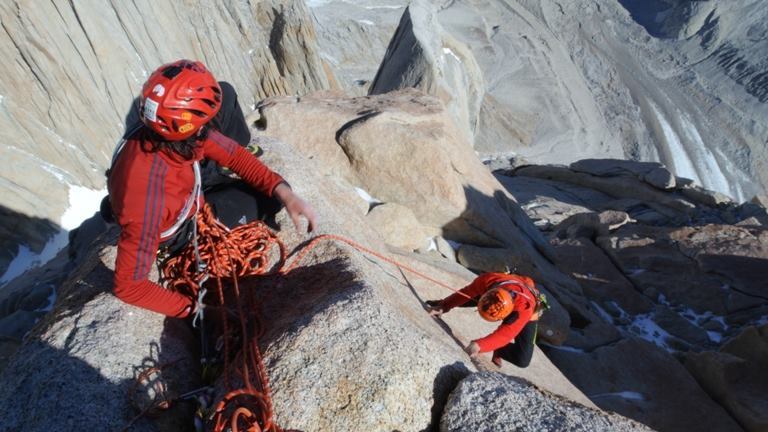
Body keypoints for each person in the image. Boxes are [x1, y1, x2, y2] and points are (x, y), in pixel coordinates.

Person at [105, 59, 317, 318]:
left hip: (181, 178)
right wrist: (197, 311)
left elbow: (234, 156)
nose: (207, 128)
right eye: (201, 125)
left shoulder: (169, 131)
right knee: (266, 202)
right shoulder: (151, 201)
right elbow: (129, 287)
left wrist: (285, 191)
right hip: (181, 223)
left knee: (225, 94)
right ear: (185, 129)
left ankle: (217, 179)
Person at [426, 272, 543, 368]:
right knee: (470, 299)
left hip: (528, 307)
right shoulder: (488, 280)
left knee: (522, 360)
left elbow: (505, 334)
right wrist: (444, 306)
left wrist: (479, 345)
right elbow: (466, 293)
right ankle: (440, 303)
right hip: (502, 288)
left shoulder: (524, 310)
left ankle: (500, 350)